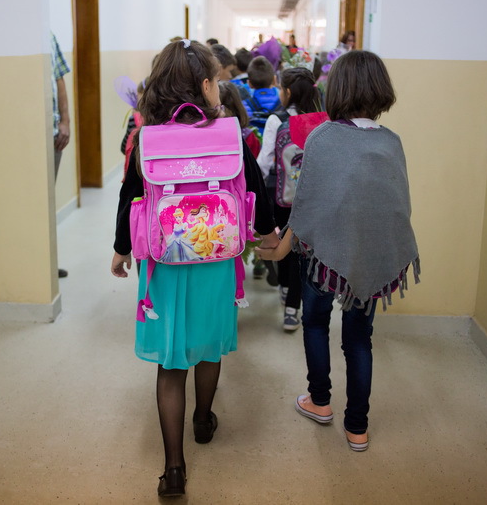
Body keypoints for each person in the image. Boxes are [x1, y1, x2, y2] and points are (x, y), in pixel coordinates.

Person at [111, 39, 278, 497]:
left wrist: (121, 249)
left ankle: (174, 469)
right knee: (207, 346)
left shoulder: (147, 138)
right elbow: (255, 187)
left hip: (164, 262)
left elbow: (130, 195)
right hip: (217, 259)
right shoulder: (228, 134)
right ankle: (203, 420)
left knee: (171, 360)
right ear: (205, 86)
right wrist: (269, 234)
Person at [257, 50, 420, 452]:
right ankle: (357, 427)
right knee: (359, 339)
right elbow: (398, 207)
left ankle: (321, 401)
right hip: (369, 256)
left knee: (315, 324)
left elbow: (305, 207)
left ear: (338, 89)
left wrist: (278, 251)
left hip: (321, 257)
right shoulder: (391, 142)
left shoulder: (323, 137)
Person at [255, 67, 322, 331]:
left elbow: (265, 160)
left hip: (281, 195)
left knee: (282, 241)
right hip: (313, 198)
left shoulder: (277, 120)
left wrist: (256, 190)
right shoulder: (322, 119)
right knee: (302, 252)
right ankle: (293, 308)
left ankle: (285, 290)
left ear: (288, 92)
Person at [51, 32, 71, 278]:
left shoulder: (48, 36)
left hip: (53, 132)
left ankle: (48, 264)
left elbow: (59, 79)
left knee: (47, 201)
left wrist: (65, 121)